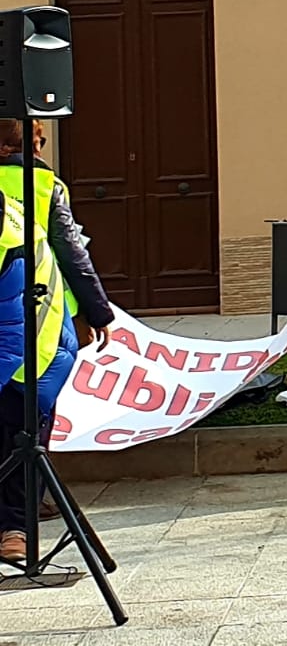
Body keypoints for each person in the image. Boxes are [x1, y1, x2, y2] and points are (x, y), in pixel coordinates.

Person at [0, 119, 114, 563]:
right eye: (33, 140)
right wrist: (97, 311)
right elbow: (72, 252)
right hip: (40, 335)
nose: (38, 148)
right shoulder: (45, 186)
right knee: (25, 434)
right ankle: (16, 529)